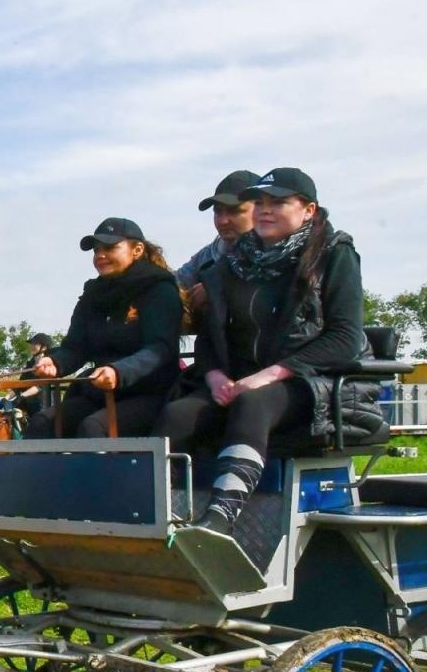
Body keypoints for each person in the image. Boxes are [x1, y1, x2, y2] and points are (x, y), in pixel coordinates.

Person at [155, 168, 380, 535]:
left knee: (254, 402)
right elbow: (211, 338)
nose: (265, 210)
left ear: (308, 209)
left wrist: (269, 375)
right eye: (259, 202)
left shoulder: (334, 254)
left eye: (278, 202)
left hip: (317, 382)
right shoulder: (229, 265)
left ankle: (219, 520)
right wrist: (214, 377)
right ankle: (158, 516)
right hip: (244, 381)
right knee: (179, 414)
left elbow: (344, 338)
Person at [25, 218, 183, 439]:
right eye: (96, 249)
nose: (100, 255)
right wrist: (56, 362)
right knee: (41, 423)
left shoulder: (159, 290)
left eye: (109, 248)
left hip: (151, 393)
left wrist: (119, 371)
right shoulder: (92, 295)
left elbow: (160, 349)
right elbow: (76, 347)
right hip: (101, 392)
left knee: (93, 428)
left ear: (137, 250)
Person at [175, 170, 261, 319]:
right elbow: (176, 283)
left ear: (262, 209)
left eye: (235, 211)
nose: (222, 221)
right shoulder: (209, 255)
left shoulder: (287, 253)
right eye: (218, 212)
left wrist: (217, 289)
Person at [7, 333, 55, 418]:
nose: (32, 346)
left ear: (44, 347)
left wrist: (21, 396)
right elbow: (20, 385)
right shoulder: (30, 363)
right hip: (27, 403)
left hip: (43, 405)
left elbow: (39, 386)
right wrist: (6, 398)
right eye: (32, 344)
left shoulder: (48, 364)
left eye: (35, 344)